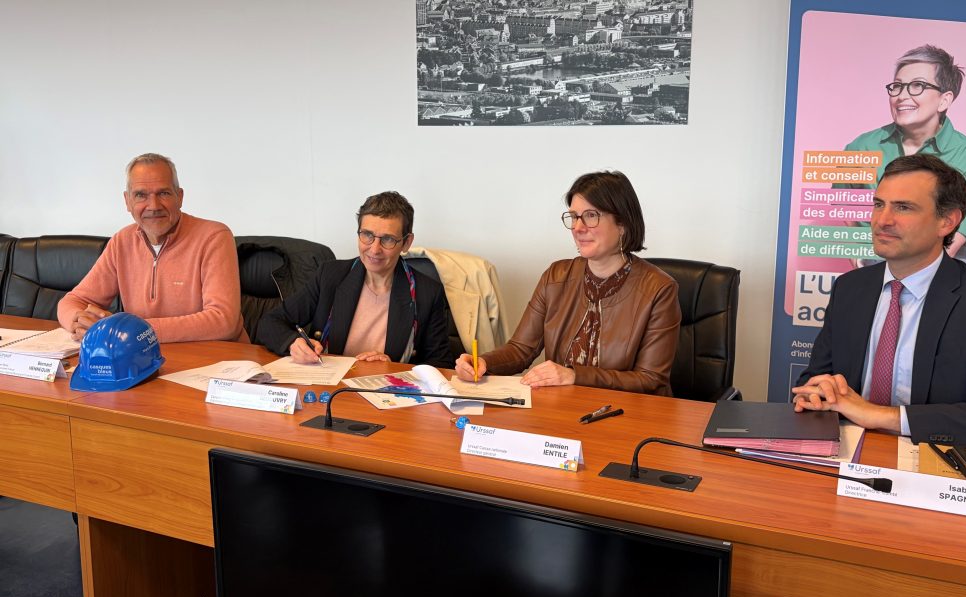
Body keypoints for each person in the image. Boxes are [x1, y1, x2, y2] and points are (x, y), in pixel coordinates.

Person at [793, 154, 966, 448]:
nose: (882, 220)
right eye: (879, 204)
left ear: (947, 221)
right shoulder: (850, 288)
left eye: (903, 207)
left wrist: (878, 416)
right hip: (846, 458)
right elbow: (816, 377)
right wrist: (816, 392)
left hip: (934, 465)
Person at [454, 171, 681, 395]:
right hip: (565, 408)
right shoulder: (556, 275)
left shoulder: (659, 289)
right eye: (573, 217)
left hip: (627, 415)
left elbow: (650, 379)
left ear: (622, 223)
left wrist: (574, 375)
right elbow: (521, 350)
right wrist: (482, 362)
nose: (578, 228)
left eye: (591, 216)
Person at [57, 153, 247, 343]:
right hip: (146, 359)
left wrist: (128, 331)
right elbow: (72, 302)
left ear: (179, 197)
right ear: (127, 201)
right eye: (141, 195)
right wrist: (77, 321)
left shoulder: (214, 237)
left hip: (218, 361)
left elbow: (223, 321)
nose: (153, 206)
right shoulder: (122, 241)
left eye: (163, 193)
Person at [258, 191, 453, 368]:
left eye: (387, 239)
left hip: (386, 393)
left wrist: (394, 367)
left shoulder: (427, 292)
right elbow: (270, 323)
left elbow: (441, 364)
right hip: (329, 387)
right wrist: (293, 343)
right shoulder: (330, 275)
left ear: (406, 242)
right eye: (367, 235)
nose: (374, 249)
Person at [843, 45, 966, 273]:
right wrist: (854, 251)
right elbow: (844, 203)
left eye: (917, 86)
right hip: (886, 240)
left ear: (944, 100)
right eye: (897, 86)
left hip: (947, 245)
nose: (901, 96)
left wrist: (927, 270)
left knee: (964, 293)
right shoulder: (862, 146)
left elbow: (965, 217)